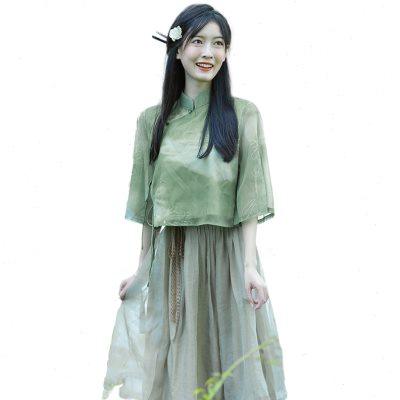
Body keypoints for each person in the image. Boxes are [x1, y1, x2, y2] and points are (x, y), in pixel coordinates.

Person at [102, 4, 288, 400]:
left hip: (227, 256)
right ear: (177, 48)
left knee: (231, 358)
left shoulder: (243, 115)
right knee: (177, 361)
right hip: (174, 258)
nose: (208, 53)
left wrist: (249, 267)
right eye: (198, 41)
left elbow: (250, 197)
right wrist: (141, 270)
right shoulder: (152, 121)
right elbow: (148, 206)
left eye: (218, 44)